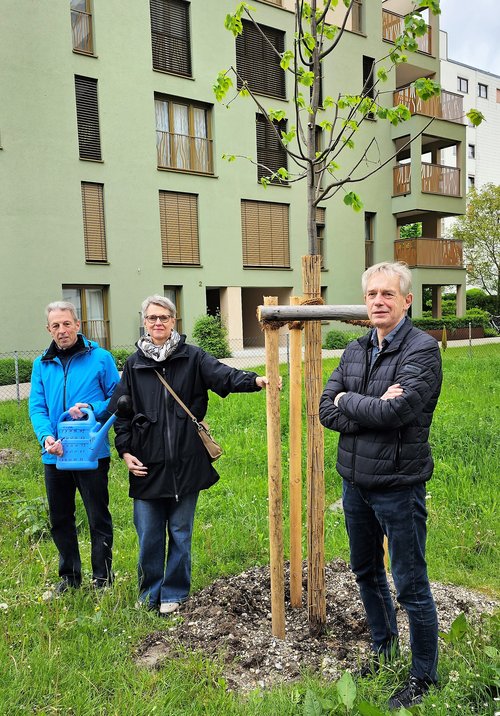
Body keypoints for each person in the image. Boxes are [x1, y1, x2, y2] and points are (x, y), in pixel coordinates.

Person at [319, 262, 442, 710]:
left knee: (410, 584)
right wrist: (364, 405)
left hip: (398, 485)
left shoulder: (423, 351)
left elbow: (398, 413)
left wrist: (347, 400)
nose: (378, 302)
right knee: (366, 572)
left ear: (406, 300)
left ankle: (423, 675)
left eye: (388, 294)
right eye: (372, 294)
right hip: (355, 485)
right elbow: (324, 412)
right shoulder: (354, 350)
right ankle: (385, 650)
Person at [109, 295, 278, 616]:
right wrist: (125, 451)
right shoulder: (134, 364)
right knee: (148, 536)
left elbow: (224, 375)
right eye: (152, 318)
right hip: (147, 464)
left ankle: (174, 592)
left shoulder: (192, 357)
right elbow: (122, 413)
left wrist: (256, 381)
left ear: (174, 321)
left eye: (164, 318)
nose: (158, 323)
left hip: (187, 461)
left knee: (181, 533)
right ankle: (149, 595)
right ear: (144, 322)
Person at [29, 301, 120, 593]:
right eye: (55, 325)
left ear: (78, 325)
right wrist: (46, 438)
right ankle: (69, 577)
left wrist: (91, 407)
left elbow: (118, 398)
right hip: (55, 454)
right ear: (49, 329)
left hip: (91, 451)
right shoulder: (41, 363)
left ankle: (103, 579)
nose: (62, 330)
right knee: (60, 518)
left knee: (98, 516)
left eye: (67, 323)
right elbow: (37, 407)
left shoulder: (101, 358)